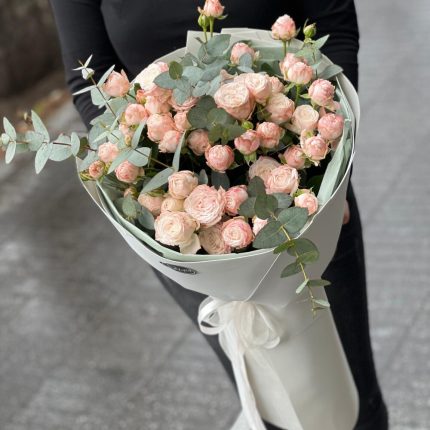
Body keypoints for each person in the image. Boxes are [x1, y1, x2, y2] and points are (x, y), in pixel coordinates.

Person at [49, 1, 388, 429]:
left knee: (353, 399)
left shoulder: (313, 194)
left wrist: (332, 161)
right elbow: (90, 81)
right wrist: (143, 175)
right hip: (184, 226)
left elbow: (334, 24)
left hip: (305, 201)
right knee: (271, 402)